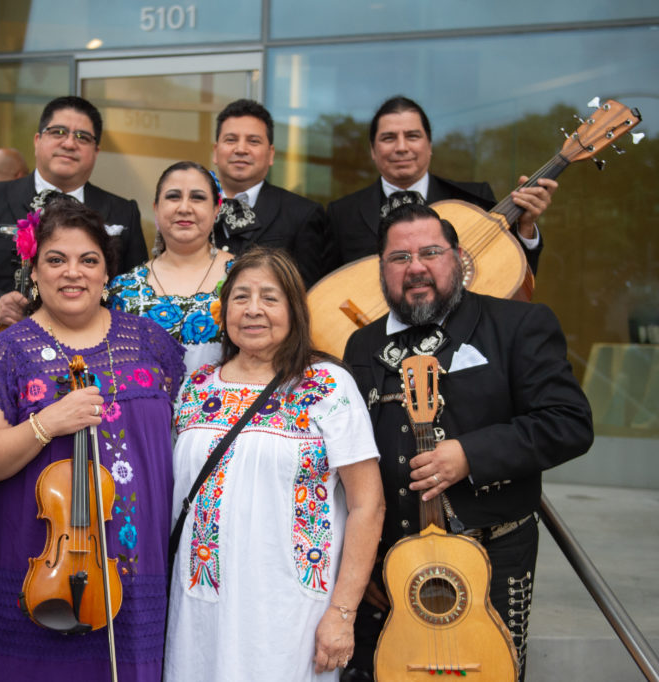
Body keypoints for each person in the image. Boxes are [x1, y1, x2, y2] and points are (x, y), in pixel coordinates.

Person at [340, 203, 594, 681]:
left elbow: (569, 423)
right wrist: (365, 558)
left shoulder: (518, 325)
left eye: (430, 252)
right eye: (399, 257)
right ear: (381, 269)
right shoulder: (361, 346)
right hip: (389, 564)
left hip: (491, 560)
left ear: (458, 257)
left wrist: (470, 455)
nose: (415, 266)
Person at [0, 197, 184, 681]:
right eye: (55, 260)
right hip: (37, 566)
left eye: (88, 260)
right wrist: (46, 424)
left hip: (135, 563)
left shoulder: (152, 344)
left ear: (107, 275)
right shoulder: (4, 355)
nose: (72, 273)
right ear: (33, 272)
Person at [164, 247, 385, 681]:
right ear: (223, 309)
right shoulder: (195, 386)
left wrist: (342, 614)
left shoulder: (326, 386)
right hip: (198, 607)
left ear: (295, 310)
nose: (253, 310)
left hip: (291, 613)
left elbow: (368, 505)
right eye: (240, 297)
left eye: (270, 297)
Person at [0, 95, 148, 351]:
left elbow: (136, 292)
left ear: (96, 151)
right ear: (37, 140)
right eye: (58, 132)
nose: (69, 143)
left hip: (95, 363)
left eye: (82, 137)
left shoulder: (123, 212)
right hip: (0, 358)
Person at [327, 95, 557, 274]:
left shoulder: (474, 200)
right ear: (373, 150)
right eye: (389, 138)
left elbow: (508, 276)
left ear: (430, 145)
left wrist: (525, 228)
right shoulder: (341, 214)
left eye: (412, 136)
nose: (401, 147)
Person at [108, 161, 234, 374]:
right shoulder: (123, 289)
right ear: (156, 208)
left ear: (216, 209)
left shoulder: (242, 277)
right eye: (173, 196)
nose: (184, 208)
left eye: (198, 197)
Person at [211, 99, 329, 288]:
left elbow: (310, 295)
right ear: (216, 152)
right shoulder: (193, 209)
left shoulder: (302, 214)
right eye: (231, 140)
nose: (241, 149)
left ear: (271, 154)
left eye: (253, 141)